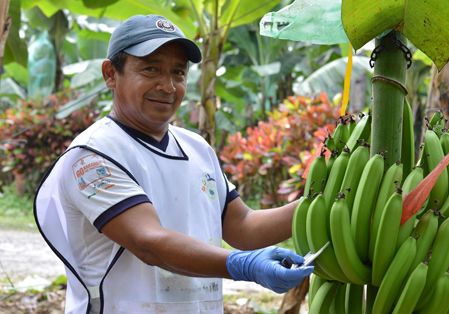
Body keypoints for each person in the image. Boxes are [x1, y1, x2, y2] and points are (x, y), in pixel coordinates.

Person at [34, 14, 313, 314]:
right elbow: (149, 243)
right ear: (110, 74)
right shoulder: (92, 156)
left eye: (178, 73)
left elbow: (242, 226)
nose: (167, 86)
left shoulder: (197, 148)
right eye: (151, 69)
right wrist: (241, 265)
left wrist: (321, 205)